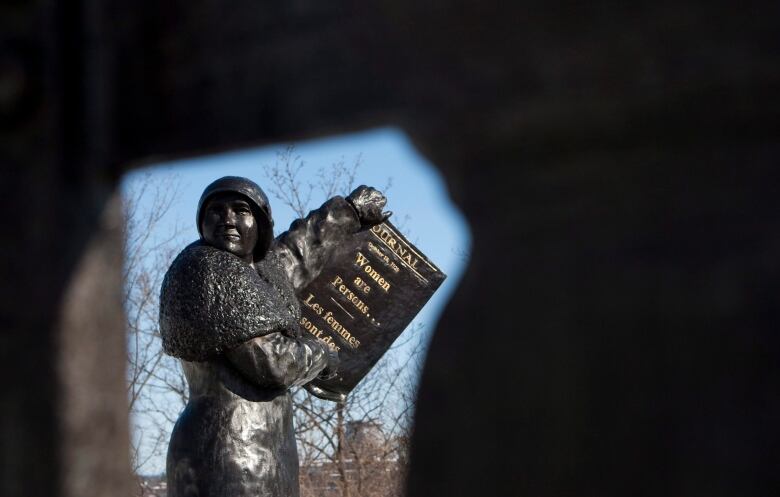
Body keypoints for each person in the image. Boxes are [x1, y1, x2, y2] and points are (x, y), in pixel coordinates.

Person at [159, 176, 387, 497]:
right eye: (215, 211)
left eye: (241, 210)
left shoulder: (260, 269)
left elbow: (299, 251)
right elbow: (272, 363)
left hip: (270, 453)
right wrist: (323, 355)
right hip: (229, 452)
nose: (228, 219)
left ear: (261, 222)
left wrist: (350, 211)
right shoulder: (206, 270)